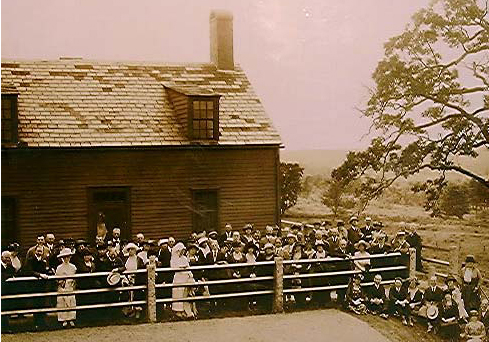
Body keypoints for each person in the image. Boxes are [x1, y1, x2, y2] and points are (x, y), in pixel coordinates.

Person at [114, 243, 145, 319]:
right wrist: (118, 270)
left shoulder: (139, 259)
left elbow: (141, 270)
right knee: (127, 295)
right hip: (127, 280)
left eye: (132, 249)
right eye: (129, 250)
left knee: (137, 295)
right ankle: (128, 312)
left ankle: (137, 312)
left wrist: (136, 277)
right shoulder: (126, 259)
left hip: (136, 280)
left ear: (135, 250)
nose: (130, 251)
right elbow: (124, 268)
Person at [23, 245, 50, 330]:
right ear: (35, 252)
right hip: (34, 286)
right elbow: (28, 271)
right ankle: (36, 324)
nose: (39, 253)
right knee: (36, 304)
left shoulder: (43, 262)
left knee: (42, 304)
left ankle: (42, 323)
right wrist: (39, 275)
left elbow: (44, 271)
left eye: (40, 251)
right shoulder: (30, 260)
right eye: (38, 251)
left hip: (42, 286)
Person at [170, 242, 197, 319]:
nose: (182, 252)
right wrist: (182, 268)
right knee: (178, 295)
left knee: (184, 295)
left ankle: (185, 310)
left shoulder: (184, 258)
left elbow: (188, 267)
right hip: (178, 278)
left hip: (185, 278)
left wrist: (190, 275)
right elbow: (174, 268)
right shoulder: (173, 259)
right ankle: (178, 311)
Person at [55, 248, 77, 328]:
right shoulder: (59, 268)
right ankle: (63, 320)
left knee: (71, 302)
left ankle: (71, 319)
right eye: (65, 257)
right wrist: (60, 282)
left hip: (70, 287)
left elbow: (75, 278)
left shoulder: (73, 267)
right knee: (62, 303)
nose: (66, 259)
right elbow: (57, 278)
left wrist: (73, 284)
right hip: (62, 287)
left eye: (68, 257)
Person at [1, 251, 15, 332]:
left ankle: (5, 327)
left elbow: (14, 272)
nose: (7, 259)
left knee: (5, 308)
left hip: (6, 290)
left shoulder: (9, 266)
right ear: (1, 257)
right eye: (6, 257)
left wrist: (11, 264)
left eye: (9, 258)